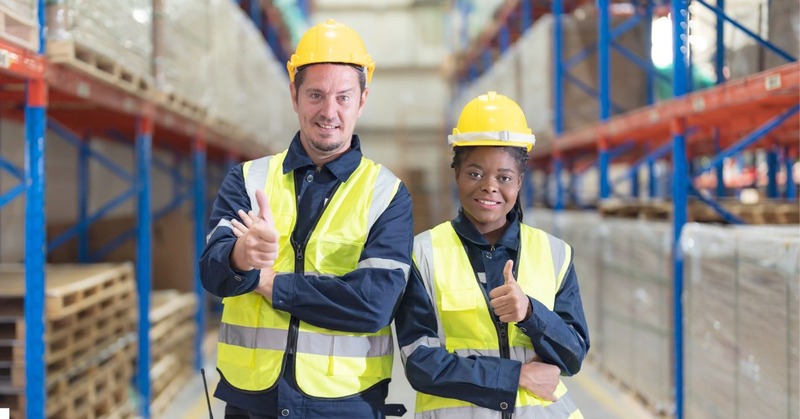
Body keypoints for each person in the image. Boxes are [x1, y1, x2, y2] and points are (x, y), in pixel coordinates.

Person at [199, 19, 414, 419]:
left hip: (344, 404)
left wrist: (268, 282)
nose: (328, 111)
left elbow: (372, 306)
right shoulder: (247, 180)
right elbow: (212, 275)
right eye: (315, 94)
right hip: (251, 401)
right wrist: (241, 257)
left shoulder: (387, 194)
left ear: (363, 100)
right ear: (294, 95)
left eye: (343, 97)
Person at [393, 91, 589, 418]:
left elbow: (573, 355)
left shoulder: (555, 254)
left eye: (504, 177)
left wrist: (530, 313)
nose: (489, 186)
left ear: (520, 181)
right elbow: (420, 363)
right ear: (456, 174)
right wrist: (515, 377)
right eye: (475, 173)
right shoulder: (422, 254)